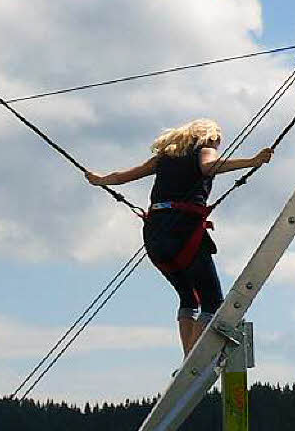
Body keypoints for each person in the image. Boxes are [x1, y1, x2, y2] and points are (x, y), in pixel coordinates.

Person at [85, 119, 273, 358]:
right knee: (213, 302)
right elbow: (209, 167)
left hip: (155, 235)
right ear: (209, 136)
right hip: (184, 232)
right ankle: (192, 357)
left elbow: (122, 177)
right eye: (218, 139)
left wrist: (99, 180)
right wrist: (252, 162)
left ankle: (187, 354)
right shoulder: (204, 148)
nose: (218, 143)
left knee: (188, 298)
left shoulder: (164, 157)